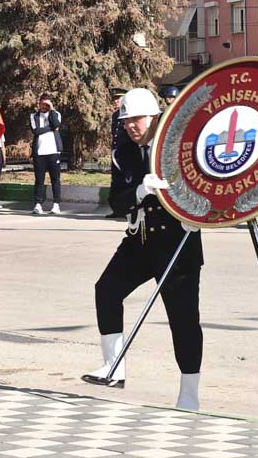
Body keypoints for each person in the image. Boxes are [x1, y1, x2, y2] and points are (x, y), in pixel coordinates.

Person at [81, 88, 205, 412]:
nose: (131, 127)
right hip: (142, 239)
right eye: (126, 121)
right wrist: (139, 190)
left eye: (136, 120)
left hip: (178, 240)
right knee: (106, 289)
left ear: (153, 117)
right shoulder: (123, 152)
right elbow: (116, 200)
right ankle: (114, 366)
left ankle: (189, 393)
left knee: (183, 320)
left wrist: (197, 216)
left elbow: (204, 185)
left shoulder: (177, 145)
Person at [30, 93, 63, 215]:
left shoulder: (56, 114)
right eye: (42, 103)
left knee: (55, 179)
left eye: (46, 103)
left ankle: (56, 204)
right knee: (39, 179)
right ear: (39, 103)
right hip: (39, 152)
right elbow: (36, 130)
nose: (44, 105)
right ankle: (38, 204)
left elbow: (57, 124)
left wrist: (52, 109)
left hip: (54, 151)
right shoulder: (34, 116)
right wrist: (51, 128)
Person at [106, 87, 128, 219]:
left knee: (126, 181)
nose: (115, 102)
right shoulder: (115, 115)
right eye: (114, 99)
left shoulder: (129, 114)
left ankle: (127, 209)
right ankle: (117, 209)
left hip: (126, 152)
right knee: (116, 181)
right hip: (116, 152)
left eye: (118, 99)